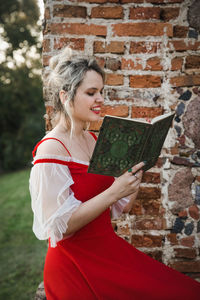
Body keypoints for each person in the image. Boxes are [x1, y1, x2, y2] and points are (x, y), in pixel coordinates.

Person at [29, 47, 200, 300]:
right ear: (65, 96)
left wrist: (133, 177)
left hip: (107, 249)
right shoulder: (51, 148)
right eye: (91, 93)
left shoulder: (93, 140)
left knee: (185, 291)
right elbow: (58, 228)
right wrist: (113, 192)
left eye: (101, 92)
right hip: (75, 264)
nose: (100, 99)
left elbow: (119, 206)